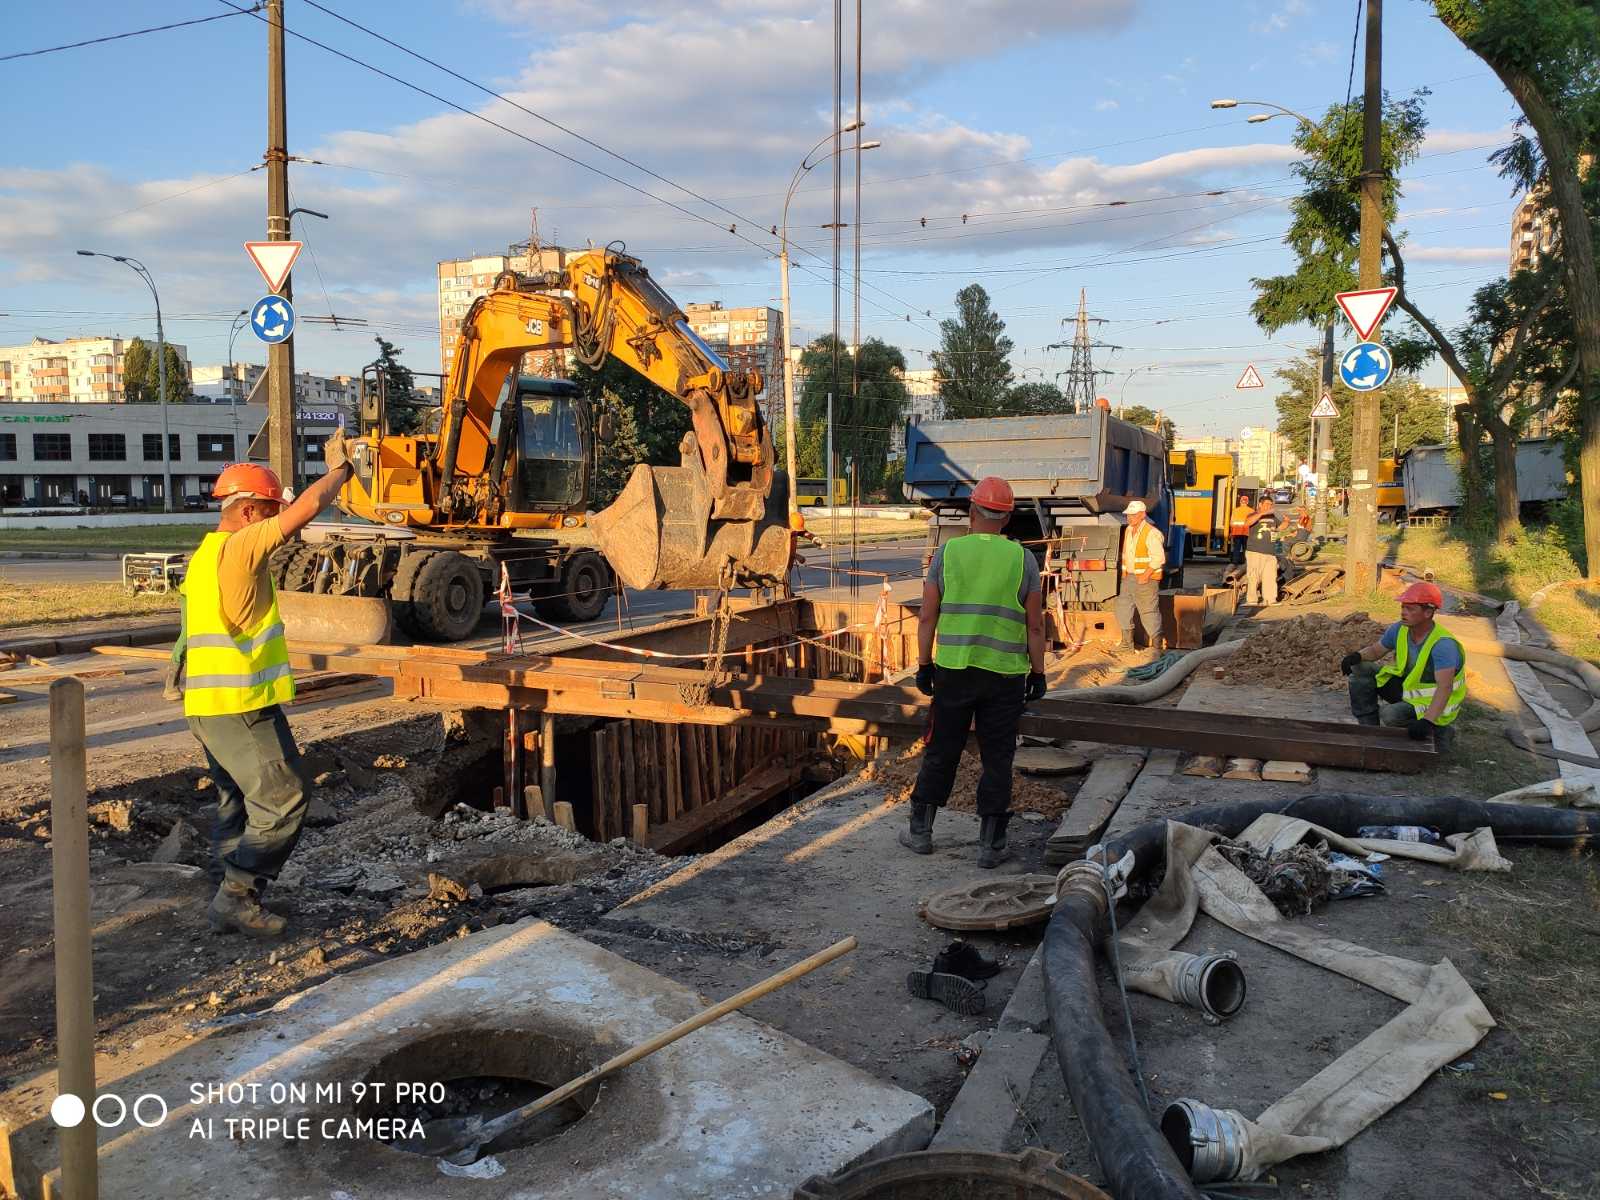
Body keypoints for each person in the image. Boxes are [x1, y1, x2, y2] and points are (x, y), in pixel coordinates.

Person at [183, 432, 354, 937]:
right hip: (239, 704)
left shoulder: (205, 555)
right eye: (269, 508)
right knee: (283, 798)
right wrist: (345, 472)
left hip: (210, 705)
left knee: (236, 798)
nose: (275, 519)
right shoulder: (240, 545)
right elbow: (302, 511)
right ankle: (235, 897)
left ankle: (221, 884)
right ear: (251, 512)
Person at [902, 476, 1046, 869]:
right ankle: (991, 844)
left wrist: (924, 664)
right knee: (997, 757)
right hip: (1005, 675)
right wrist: (1038, 673)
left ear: (971, 511)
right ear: (1007, 518)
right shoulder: (1023, 559)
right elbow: (1035, 626)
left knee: (942, 748)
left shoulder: (948, 554)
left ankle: (920, 832)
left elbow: (927, 615)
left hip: (954, 671)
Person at [1340, 581, 1465, 752]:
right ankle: (1369, 731)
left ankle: (1440, 731)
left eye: (1410, 609)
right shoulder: (1400, 629)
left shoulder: (1443, 645)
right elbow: (1376, 651)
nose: (1403, 612)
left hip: (1433, 703)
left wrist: (1427, 720)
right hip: (1408, 690)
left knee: (1389, 715)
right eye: (1403, 607)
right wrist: (1357, 656)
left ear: (1428, 612)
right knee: (1360, 669)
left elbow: (1445, 688)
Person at [1113, 500, 1165, 657]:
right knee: (1122, 609)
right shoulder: (1129, 530)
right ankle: (1126, 644)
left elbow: (1159, 558)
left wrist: (1145, 575)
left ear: (1142, 515)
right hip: (1129, 578)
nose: (1130, 518)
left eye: (1133, 515)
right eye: (1128, 515)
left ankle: (1157, 647)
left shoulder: (1152, 533)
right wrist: (1126, 574)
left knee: (1149, 612)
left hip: (1146, 580)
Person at [1243, 497, 1280, 607]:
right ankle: (1252, 600)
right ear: (1260, 504)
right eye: (1267, 504)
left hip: (1270, 552)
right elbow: (1247, 523)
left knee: (1270, 576)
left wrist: (1286, 523)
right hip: (1255, 551)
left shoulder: (1272, 517)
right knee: (1253, 576)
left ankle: (1270, 599)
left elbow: (1280, 527)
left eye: (1271, 504)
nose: (1269, 506)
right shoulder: (1252, 515)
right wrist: (1262, 514)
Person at [1228, 493, 1254, 564]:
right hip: (1247, 532)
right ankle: (1246, 562)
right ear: (1247, 502)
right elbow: (1253, 523)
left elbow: (1231, 522)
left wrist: (1231, 532)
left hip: (1236, 532)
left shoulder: (1235, 510)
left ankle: (1235, 562)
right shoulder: (1251, 511)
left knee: (1237, 548)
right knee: (1246, 548)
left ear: (1240, 501)